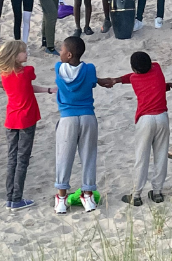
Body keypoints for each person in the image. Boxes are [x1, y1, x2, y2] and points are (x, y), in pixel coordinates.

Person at [0, 40, 58, 210]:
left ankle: (10, 197)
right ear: (14, 55)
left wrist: (48, 90)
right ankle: (17, 198)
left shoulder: (5, 74)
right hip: (26, 119)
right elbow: (28, 81)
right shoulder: (27, 71)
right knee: (22, 159)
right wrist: (49, 89)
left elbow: (26, 87)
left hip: (11, 119)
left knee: (12, 158)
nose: (26, 54)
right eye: (23, 52)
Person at [109, 51, 172, 206]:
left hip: (145, 120)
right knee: (161, 155)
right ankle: (157, 192)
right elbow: (157, 84)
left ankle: (136, 194)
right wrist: (169, 86)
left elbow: (130, 77)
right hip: (162, 117)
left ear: (135, 70)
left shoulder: (134, 79)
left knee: (141, 157)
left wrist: (116, 80)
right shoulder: (157, 68)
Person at [53, 36, 100, 214]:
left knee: (64, 157)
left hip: (67, 117)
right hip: (88, 115)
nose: (60, 53)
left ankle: (61, 198)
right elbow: (94, 81)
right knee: (89, 156)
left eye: (62, 50)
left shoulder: (59, 68)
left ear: (69, 54)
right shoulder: (89, 69)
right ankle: (88, 195)